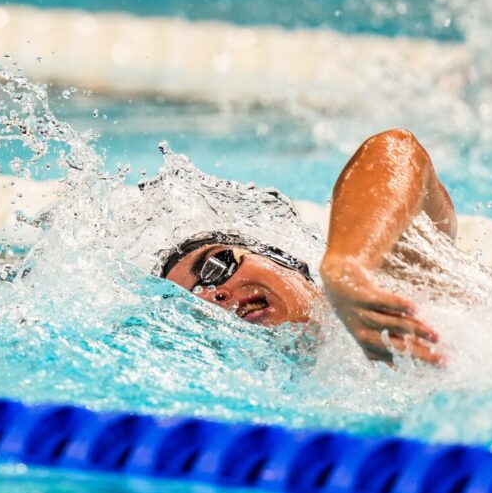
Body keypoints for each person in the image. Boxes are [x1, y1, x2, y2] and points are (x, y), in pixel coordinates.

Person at [158, 129, 456, 366]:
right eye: (195, 308)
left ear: (282, 259)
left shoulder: (390, 281)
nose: (213, 295)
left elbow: (397, 149)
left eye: (217, 267)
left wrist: (347, 268)